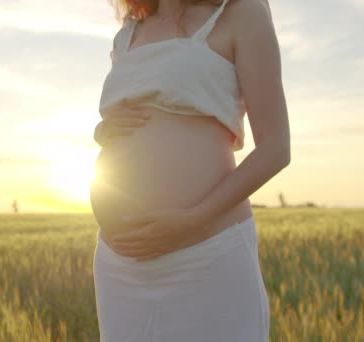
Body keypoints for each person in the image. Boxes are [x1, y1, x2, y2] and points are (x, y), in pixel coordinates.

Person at [89, 0, 290, 340]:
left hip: (206, 256)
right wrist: (102, 131)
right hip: (120, 268)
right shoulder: (130, 30)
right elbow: (136, 116)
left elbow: (276, 149)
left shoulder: (240, 12)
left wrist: (193, 220)